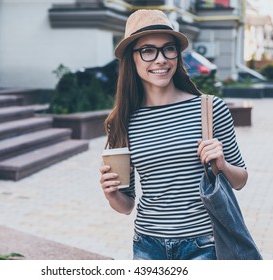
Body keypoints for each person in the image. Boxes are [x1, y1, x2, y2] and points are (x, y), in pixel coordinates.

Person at [99, 9, 248, 260]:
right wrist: (112, 194)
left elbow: (240, 180)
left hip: (204, 244)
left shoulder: (209, 108)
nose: (160, 59)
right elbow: (127, 206)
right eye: (148, 50)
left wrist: (221, 164)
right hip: (147, 246)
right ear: (131, 59)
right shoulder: (121, 121)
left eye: (168, 49)